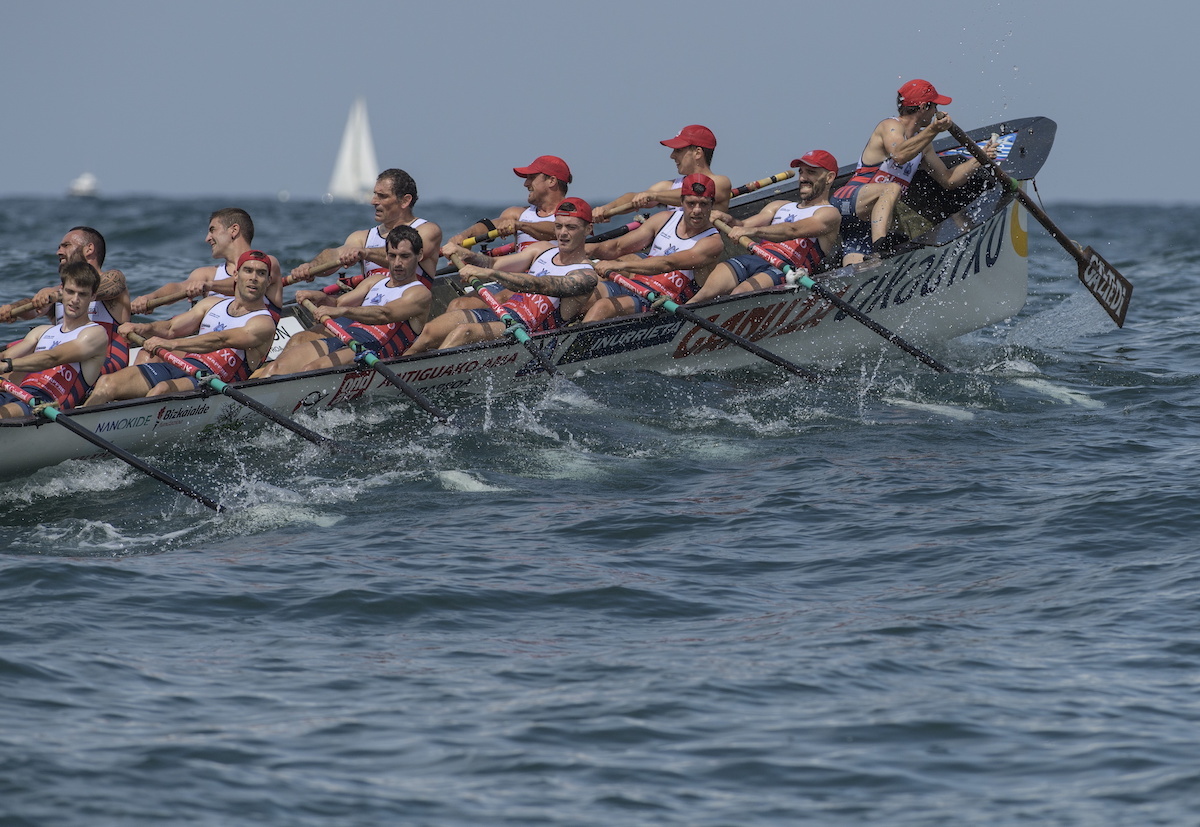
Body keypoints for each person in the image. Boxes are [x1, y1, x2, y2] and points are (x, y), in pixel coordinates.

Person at [829, 79, 999, 264]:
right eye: (934, 106)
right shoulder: (890, 126)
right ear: (924, 107)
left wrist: (979, 159)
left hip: (864, 221)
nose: (936, 111)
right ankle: (881, 247)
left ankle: (864, 265)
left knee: (859, 270)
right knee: (891, 188)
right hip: (849, 200)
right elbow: (899, 155)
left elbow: (948, 180)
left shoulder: (923, 145)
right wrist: (934, 129)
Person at [82, 251, 276, 405]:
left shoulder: (264, 323)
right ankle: (81, 433)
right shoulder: (212, 303)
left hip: (214, 380)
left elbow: (221, 339)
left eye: (261, 273)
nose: (253, 278)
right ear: (236, 274)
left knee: (161, 390)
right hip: (181, 365)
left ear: (268, 281)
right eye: (248, 271)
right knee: (107, 383)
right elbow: (171, 327)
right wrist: (142, 327)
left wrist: (171, 345)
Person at [407, 198, 598, 354]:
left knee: (462, 333)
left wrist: (488, 273)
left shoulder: (586, 276)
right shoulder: (542, 249)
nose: (563, 233)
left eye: (571, 228)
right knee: (428, 332)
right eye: (559, 226)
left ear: (588, 229)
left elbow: (540, 285)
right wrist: (468, 255)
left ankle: (428, 382)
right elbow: (493, 263)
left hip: (527, 330)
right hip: (500, 312)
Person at [253, 225, 432, 377]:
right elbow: (339, 304)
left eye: (405, 256)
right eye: (392, 256)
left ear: (420, 255)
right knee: (274, 369)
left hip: (374, 350)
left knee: (310, 370)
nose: (398, 263)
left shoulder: (419, 293)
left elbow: (385, 314)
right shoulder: (375, 280)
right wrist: (320, 297)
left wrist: (342, 312)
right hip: (345, 336)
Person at [689, 150, 842, 303]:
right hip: (755, 258)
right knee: (702, 295)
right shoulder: (779, 206)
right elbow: (743, 225)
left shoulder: (829, 214)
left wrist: (753, 231)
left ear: (829, 177)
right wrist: (726, 218)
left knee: (739, 293)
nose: (803, 178)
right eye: (801, 172)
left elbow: (793, 230)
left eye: (811, 172)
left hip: (786, 268)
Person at [583, 174, 725, 323]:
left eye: (703, 204)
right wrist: (587, 249)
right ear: (682, 202)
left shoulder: (712, 242)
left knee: (603, 306)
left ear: (711, 205)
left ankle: (574, 345)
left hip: (664, 302)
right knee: (586, 295)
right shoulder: (663, 219)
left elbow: (667, 263)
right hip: (636, 285)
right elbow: (618, 247)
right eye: (691, 203)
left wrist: (619, 265)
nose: (697, 210)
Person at [0, 226, 131, 374]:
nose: (59, 252)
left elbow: (99, 288)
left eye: (66, 245)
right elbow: (32, 311)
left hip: (103, 365)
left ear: (89, 249)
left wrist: (56, 294)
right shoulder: (56, 291)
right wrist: (12, 310)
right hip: (62, 363)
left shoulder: (113, 279)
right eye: (59, 247)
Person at [290, 169, 442, 294]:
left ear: (405, 201)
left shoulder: (427, 230)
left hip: (407, 312)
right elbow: (335, 255)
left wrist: (366, 253)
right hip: (370, 313)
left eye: (382, 196)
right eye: (375, 194)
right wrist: (311, 267)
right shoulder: (361, 238)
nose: (373, 201)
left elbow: (407, 253)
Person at [0, 261, 110, 418]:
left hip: (47, 404)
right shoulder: (42, 331)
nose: (74, 300)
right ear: (62, 291)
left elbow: (52, 357)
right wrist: (4, 361)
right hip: (19, 394)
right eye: (70, 292)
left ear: (93, 296)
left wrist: (6, 366)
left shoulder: (95, 334)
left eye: (82, 294)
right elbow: (5, 356)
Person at [130, 208, 284, 313]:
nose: (207, 239)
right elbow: (179, 288)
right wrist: (150, 298)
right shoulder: (206, 274)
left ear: (234, 230)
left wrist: (210, 286)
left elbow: (244, 282)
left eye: (212, 230)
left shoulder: (267, 263)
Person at [592, 125, 733, 223]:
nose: (672, 156)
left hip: (699, 252)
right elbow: (633, 197)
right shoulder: (669, 186)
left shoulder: (720, 182)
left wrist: (654, 196)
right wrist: (607, 208)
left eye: (678, 150)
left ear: (697, 153)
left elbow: (693, 194)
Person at [442, 155, 572, 253]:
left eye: (531, 178)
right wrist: (464, 236)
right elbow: (490, 226)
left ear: (551, 181)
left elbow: (558, 230)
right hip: (522, 280)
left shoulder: (574, 212)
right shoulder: (517, 214)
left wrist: (521, 226)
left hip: (557, 280)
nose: (525, 184)